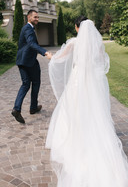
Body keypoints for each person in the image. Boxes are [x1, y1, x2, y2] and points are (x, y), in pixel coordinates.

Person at [46, 16, 128, 187]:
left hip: (78, 80)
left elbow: (59, 58)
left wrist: (50, 56)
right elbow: (101, 63)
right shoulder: (97, 44)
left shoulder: (73, 43)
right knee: (94, 110)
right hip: (93, 81)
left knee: (74, 109)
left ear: (77, 27)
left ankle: (75, 141)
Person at [12, 9, 52, 124]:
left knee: (25, 84)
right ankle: (33, 107)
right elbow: (31, 43)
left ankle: (17, 109)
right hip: (29, 62)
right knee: (35, 82)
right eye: (35, 17)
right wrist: (45, 52)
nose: (37, 19)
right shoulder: (28, 29)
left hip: (22, 61)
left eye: (38, 17)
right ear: (29, 17)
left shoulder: (26, 28)